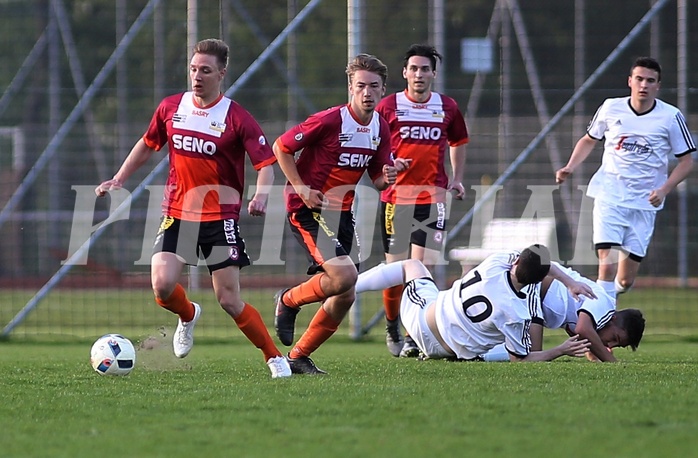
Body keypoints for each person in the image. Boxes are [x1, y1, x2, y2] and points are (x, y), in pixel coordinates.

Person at [95, 38, 291, 378]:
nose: (197, 76)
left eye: (205, 70)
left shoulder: (236, 117)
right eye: (193, 69)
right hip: (178, 213)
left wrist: (261, 196)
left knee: (229, 300)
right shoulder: (172, 107)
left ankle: (274, 358)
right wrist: (119, 178)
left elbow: (266, 164)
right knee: (162, 286)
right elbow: (147, 143)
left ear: (221, 74)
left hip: (219, 219)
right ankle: (187, 315)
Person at [272, 53, 408, 375]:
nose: (367, 93)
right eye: (361, 85)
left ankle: (299, 357)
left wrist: (387, 176)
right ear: (350, 87)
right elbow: (281, 147)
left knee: (346, 293)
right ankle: (288, 300)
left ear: (383, 88)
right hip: (308, 208)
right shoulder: (330, 120)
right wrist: (302, 188)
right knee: (345, 276)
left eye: (374, 86)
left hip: (343, 214)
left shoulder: (381, 129)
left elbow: (376, 178)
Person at [556, 57, 695, 302]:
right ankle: (601, 323)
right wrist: (569, 166)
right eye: (639, 79)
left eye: (650, 81)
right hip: (609, 196)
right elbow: (589, 139)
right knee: (606, 268)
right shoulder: (611, 108)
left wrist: (663, 190)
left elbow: (687, 162)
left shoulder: (671, 117)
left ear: (658, 86)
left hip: (644, 204)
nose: (644, 85)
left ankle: (612, 296)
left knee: (624, 280)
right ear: (630, 81)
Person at [375, 44, 469, 357]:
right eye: (413, 68)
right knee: (397, 270)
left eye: (425, 69)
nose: (419, 74)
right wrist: (387, 165)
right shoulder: (388, 106)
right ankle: (392, 325)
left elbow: (459, 140)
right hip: (397, 197)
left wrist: (456, 177)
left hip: (433, 196)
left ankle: (414, 335)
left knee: (424, 269)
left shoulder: (447, 106)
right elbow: (372, 142)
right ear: (405, 73)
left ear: (433, 73)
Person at [354, 245, 595, 362]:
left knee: (412, 266)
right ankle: (473, 355)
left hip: (421, 320)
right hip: (443, 351)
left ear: (517, 260)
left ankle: (347, 285)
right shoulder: (518, 314)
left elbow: (538, 262)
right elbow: (521, 360)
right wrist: (560, 350)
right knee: (510, 342)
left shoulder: (496, 262)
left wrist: (568, 281)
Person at [483, 262, 645, 363]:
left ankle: (479, 353)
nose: (610, 345)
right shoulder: (606, 304)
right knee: (532, 356)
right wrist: (611, 362)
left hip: (535, 297)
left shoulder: (598, 322)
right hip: (535, 287)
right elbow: (583, 329)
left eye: (617, 346)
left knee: (523, 348)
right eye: (615, 338)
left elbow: (583, 332)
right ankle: (481, 356)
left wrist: (592, 352)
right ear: (614, 319)